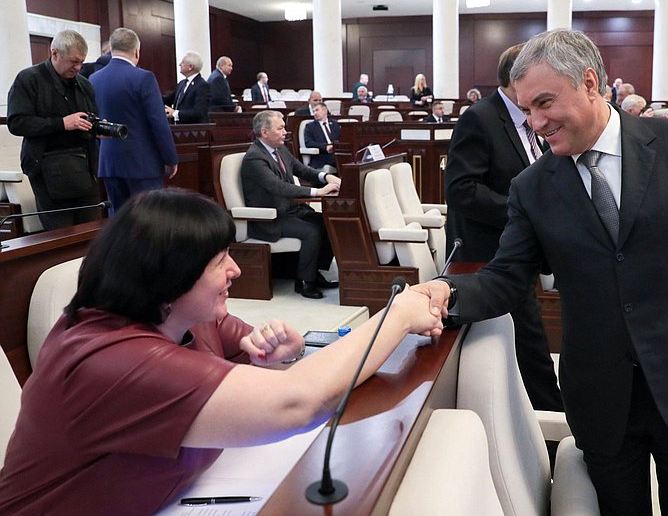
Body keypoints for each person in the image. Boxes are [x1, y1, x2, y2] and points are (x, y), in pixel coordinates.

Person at [422, 29, 668, 514]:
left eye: (545, 103)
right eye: (526, 109)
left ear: (589, 83)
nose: (535, 122)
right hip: (602, 399)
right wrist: (442, 293)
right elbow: (505, 279)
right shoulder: (532, 187)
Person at [0, 188, 443, 514]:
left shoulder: (187, 315)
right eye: (218, 262)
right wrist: (399, 313)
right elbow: (296, 403)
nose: (234, 270)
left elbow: (264, 356)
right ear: (168, 279)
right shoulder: (104, 359)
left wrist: (283, 353)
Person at [444, 44, 562, 414]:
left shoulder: (528, 120)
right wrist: (522, 213)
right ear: (517, 79)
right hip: (487, 252)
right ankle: (552, 416)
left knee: (528, 338)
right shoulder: (479, 118)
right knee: (528, 340)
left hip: (521, 247)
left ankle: (544, 408)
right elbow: (461, 190)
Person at [6, 29, 101, 230]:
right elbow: (17, 122)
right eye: (73, 61)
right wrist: (61, 123)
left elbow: (89, 117)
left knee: (91, 233)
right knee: (60, 236)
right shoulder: (28, 79)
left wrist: (97, 128)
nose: (78, 67)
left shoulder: (84, 84)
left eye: (82, 62)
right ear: (54, 53)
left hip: (83, 168)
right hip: (47, 170)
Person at [241, 110, 341, 299]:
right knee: (311, 231)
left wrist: (325, 176)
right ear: (264, 132)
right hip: (269, 217)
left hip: (290, 210)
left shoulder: (280, 149)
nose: (285, 132)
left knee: (326, 222)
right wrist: (317, 192)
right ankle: (304, 282)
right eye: (280, 128)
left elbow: (302, 169)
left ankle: (315, 272)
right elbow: (278, 187)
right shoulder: (255, 157)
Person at [89, 28, 179, 215]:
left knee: (119, 222)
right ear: (137, 51)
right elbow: (158, 122)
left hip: (109, 162)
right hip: (142, 164)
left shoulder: (94, 79)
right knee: (150, 222)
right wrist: (170, 158)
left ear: (111, 49)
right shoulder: (143, 78)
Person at [163, 51, 210, 124]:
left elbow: (199, 112)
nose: (179, 64)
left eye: (182, 62)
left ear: (190, 67)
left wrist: (175, 113)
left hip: (194, 130)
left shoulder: (202, 85)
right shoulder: (182, 83)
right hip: (178, 129)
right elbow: (169, 99)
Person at [303, 102, 340, 172]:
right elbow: (308, 143)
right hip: (321, 155)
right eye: (313, 111)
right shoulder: (310, 126)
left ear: (325, 110)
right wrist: (325, 147)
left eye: (317, 110)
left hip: (336, 152)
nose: (315, 113)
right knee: (341, 159)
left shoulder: (335, 124)